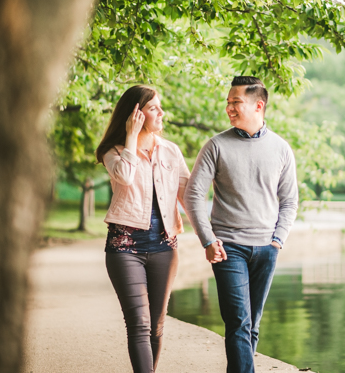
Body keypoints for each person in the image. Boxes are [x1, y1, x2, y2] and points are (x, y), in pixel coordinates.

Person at [183, 76, 299, 373]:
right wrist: (208, 240)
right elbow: (193, 195)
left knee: (252, 324)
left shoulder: (281, 149)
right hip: (227, 247)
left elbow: (289, 200)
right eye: (228, 102)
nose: (229, 108)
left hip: (267, 248)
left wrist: (278, 239)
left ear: (258, 105)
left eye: (236, 102)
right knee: (238, 321)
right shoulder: (216, 146)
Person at [95, 85, 190, 373]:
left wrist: (210, 237)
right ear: (135, 114)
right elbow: (124, 177)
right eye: (153, 108)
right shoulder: (113, 151)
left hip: (164, 246)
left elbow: (189, 196)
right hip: (124, 248)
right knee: (139, 324)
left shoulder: (171, 151)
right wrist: (132, 137)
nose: (162, 113)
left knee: (157, 325)